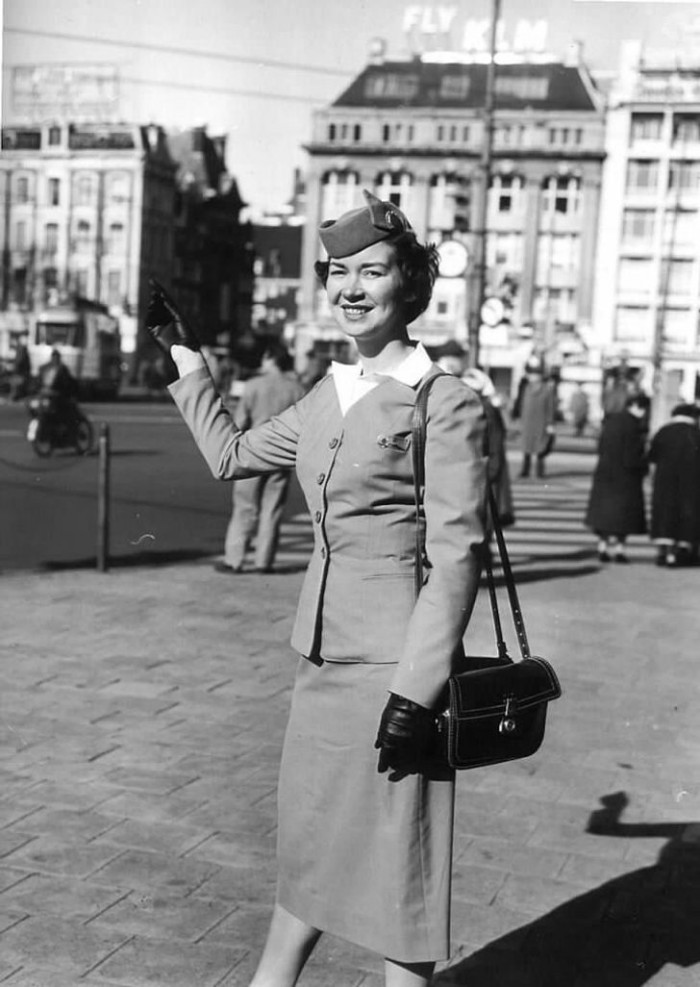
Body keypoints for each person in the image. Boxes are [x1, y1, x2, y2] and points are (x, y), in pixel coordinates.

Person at [145, 189, 488, 987]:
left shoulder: (447, 403)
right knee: (306, 859)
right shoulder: (328, 396)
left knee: (397, 885)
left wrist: (417, 690)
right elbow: (230, 454)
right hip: (322, 669)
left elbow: (457, 556)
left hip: (394, 678)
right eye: (339, 273)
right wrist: (186, 356)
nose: (352, 288)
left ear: (410, 284)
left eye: (373, 271)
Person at [216, 341, 305, 574]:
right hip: (283, 453)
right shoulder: (296, 388)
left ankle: (234, 559)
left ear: (269, 357)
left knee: (245, 507)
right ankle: (264, 561)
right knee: (272, 509)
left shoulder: (253, 385)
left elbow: (240, 419)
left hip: (252, 450)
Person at [585, 392, 650, 563]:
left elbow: (600, 447)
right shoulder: (635, 426)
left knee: (604, 516)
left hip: (605, 474)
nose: (644, 413)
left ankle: (602, 548)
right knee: (624, 518)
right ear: (636, 406)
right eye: (643, 409)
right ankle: (619, 550)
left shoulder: (611, 422)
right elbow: (634, 455)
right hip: (627, 478)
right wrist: (644, 467)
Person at [647, 403, 700, 567]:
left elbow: (652, 456)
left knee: (665, 514)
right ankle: (682, 550)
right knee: (687, 515)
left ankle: (664, 551)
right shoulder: (696, 434)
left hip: (664, 482)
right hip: (691, 483)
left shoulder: (664, 432)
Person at [462, 367, 515, 528]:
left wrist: (488, 472)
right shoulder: (479, 408)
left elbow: (495, 444)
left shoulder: (484, 410)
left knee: (481, 524)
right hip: (479, 472)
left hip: (483, 474)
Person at [517, 361, 556, 478]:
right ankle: (525, 470)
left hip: (541, 422)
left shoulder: (547, 390)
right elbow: (522, 405)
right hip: (528, 423)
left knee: (541, 447)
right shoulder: (526, 388)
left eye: (532, 375)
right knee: (527, 448)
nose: (530, 377)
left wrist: (550, 423)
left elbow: (550, 407)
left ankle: (540, 471)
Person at [38, 349, 79, 422]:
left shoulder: (61, 369)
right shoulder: (46, 368)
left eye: (56, 358)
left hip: (54, 393)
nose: (55, 359)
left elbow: (68, 382)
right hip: (49, 392)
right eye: (54, 357)